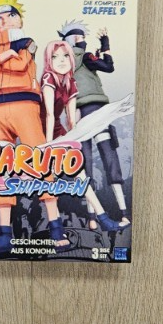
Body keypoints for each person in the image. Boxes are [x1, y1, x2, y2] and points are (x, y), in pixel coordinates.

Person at [0, 0, 60, 253]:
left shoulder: (27, 42)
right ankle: (4, 234)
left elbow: (20, 64)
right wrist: (2, 58)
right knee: (0, 168)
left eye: (11, 15)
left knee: (39, 161)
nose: (5, 20)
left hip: (24, 105)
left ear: (20, 19)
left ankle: (56, 227)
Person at [39, 39, 123, 236]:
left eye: (65, 56)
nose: (61, 60)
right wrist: (50, 145)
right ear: (48, 60)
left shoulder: (70, 82)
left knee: (79, 170)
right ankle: (55, 226)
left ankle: (103, 218)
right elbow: (49, 114)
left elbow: (71, 119)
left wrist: (74, 143)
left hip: (56, 128)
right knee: (47, 176)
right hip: (39, 128)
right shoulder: (48, 78)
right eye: (55, 57)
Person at [63, 21, 130, 223]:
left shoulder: (61, 62)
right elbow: (108, 67)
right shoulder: (84, 56)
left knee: (85, 160)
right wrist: (105, 45)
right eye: (82, 37)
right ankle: (123, 211)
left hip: (75, 111)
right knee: (109, 155)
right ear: (76, 39)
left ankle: (92, 216)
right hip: (95, 107)